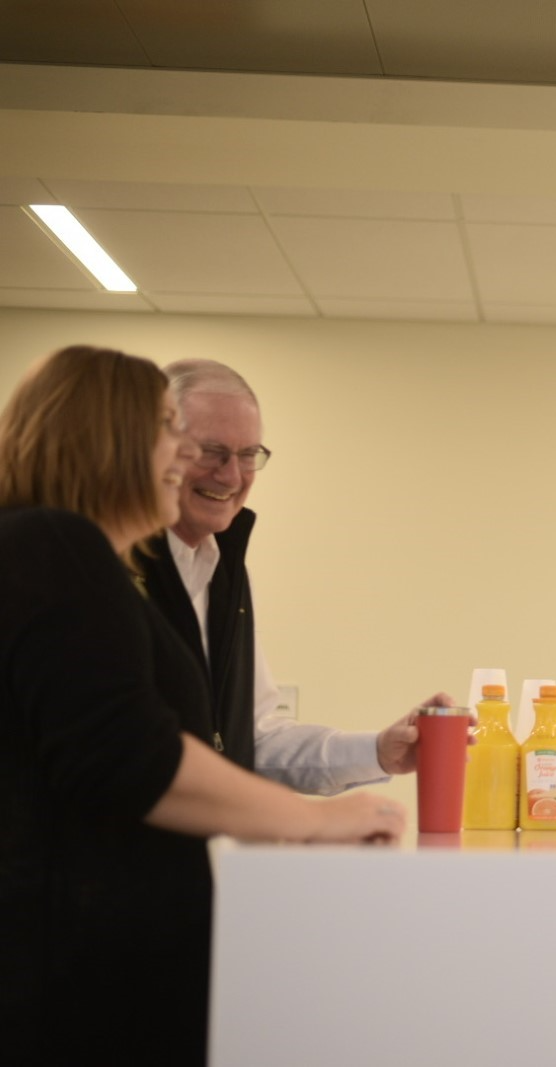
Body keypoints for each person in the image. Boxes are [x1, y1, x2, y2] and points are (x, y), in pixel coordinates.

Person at [0, 345, 438, 1064]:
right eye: (175, 433)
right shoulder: (61, 548)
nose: (193, 462)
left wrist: (367, 758)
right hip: (71, 956)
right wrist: (316, 821)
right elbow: (134, 757)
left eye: (245, 454)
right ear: (111, 439)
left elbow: (236, 735)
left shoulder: (73, 554)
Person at [142, 358, 419, 794]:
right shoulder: (112, 570)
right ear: (154, 449)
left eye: (248, 455)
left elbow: (252, 742)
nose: (232, 475)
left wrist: (379, 752)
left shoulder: (227, 572)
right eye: (212, 452)